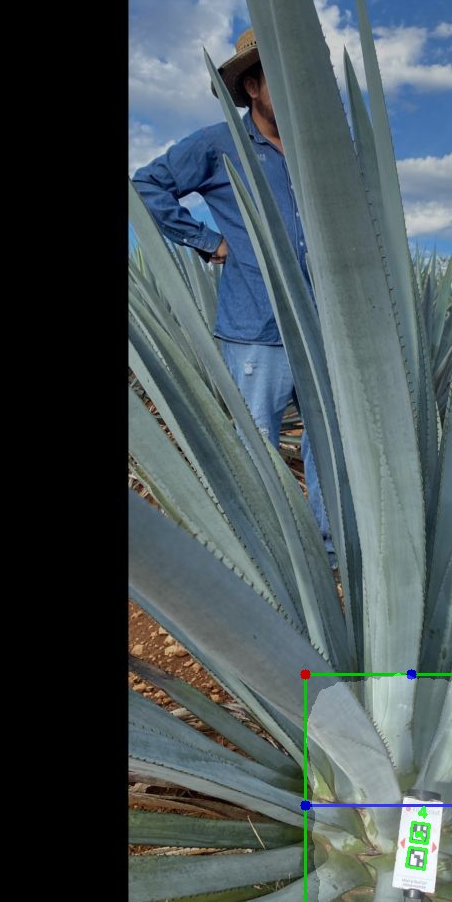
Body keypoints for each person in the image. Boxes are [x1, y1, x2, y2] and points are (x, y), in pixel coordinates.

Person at [132, 29, 335, 568]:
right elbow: (146, 185)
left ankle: (330, 555)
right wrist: (209, 241)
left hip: (322, 330)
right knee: (257, 452)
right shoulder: (220, 145)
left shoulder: (316, 153)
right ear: (251, 86)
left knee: (329, 447)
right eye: (278, 78)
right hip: (255, 331)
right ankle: (268, 565)